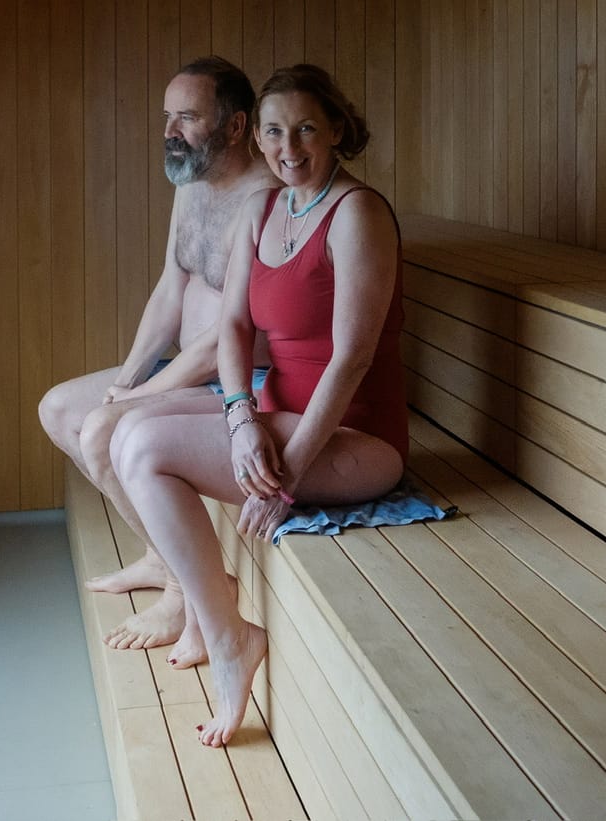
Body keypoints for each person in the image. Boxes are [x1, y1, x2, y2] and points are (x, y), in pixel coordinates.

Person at [111, 64, 408, 747]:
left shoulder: (357, 213)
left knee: (150, 450)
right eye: (275, 130)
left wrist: (292, 471)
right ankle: (215, 617)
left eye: (306, 127)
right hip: (276, 415)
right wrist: (240, 416)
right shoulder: (264, 209)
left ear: (337, 128)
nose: (289, 146)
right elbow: (236, 329)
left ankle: (227, 636)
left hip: (354, 436)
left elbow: (352, 358)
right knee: (130, 431)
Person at [37, 56, 278, 653]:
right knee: (62, 408)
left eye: (187, 117)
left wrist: (142, 397)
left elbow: (235, 330)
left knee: (101, 434)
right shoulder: (193, 187)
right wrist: (127, 380)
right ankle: (159, 557)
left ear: (235, 126)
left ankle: (184, 591)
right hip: (184, 373)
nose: (170, 130)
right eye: (167, 116)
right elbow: (170, 291)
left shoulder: (267, 201)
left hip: (240, 380)